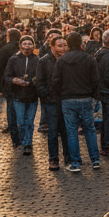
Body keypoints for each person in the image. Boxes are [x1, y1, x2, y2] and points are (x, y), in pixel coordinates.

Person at [51, 31, 101, 173]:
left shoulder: (61, 60)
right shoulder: (89, 59)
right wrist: (95, 96)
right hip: (85, 98)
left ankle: (75, 162)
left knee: (71, 131)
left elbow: (55, 81)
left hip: (68, 99)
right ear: (81, 43)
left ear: (68, 44)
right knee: (89, 129)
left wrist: (58, 95)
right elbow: (96, 79)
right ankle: (95, 159)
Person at [37, 33, 72, 171]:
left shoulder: (68, 60)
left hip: (66, 100)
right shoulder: (44, 61)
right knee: (52, 131)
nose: (63, 48)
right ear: (52, 47)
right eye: (60, 46)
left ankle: (68, 158)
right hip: (51, 102)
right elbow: (40, 82)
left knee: (67, 131)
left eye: (65, 45)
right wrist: (47, 96)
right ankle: (53, 158)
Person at [3, 36, 40, 155]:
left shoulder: (37, 60)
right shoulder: (14, 59)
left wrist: (34, 81)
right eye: (25, 44)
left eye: (29, 44)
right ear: (20, 45)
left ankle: (27, 143)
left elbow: (41, 77)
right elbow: (7, 76)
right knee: (20, 122)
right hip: (18, 95)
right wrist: (15, 80)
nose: (27, 46)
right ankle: (24, 140)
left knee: (29, 121)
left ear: (33, 46)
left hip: (32, 95)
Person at [0, 28, 21, 143]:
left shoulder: (5, 49)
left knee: (10, 107)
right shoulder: (22, 47)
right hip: (21, 82)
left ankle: (13, 131)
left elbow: (0, 67)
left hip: (9, 82)